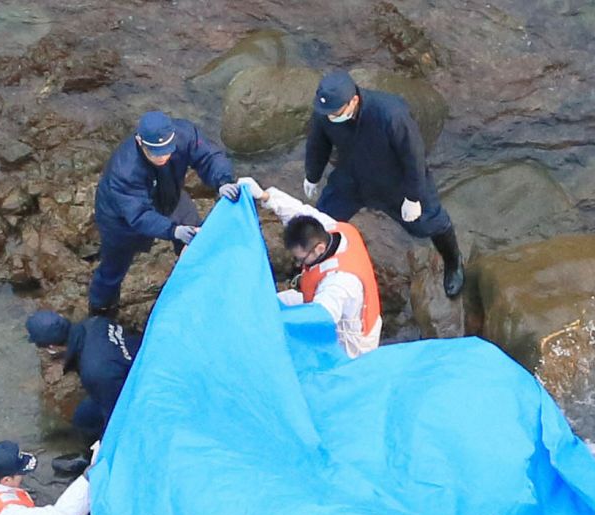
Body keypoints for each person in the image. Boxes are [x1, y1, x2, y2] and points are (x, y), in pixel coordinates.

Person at [302, 70, 465, 299]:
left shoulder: (390, 114)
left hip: (395, 181)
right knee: (324, 221)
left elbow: (413, 156)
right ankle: (314, 268)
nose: (330, 117)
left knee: (430, 223)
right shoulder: (327, 112)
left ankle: (454, 262)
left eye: (336, 113)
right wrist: (312, 175)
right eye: (327, 113)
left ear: (354, 101)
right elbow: (318, 144)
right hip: (353, 177)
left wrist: (414, 196)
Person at [90, 111, 240, 316]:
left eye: (166, 151)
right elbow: (139, 215)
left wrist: (223, 181)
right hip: (120, 219)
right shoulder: (124, 171)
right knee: (113, 268)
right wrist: (173, 230)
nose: (162, 157)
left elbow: (209, 156)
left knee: (196, 239)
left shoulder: (185, 135)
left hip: (169, 198)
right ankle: (101, 308)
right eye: (155, 153)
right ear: (139, 142)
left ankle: (198, 284)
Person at [257, 186, 381, 357]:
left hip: (351, 343)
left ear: (319, 249)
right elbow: (298, 211)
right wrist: (264, 195)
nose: (299, 263)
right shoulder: (334, 229)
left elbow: (321, 316)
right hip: (343, 307)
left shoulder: (339, 283)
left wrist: (276, 326)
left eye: (302, 259)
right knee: (271, 303)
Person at [25, 310, 140, 449]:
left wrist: (102, 450)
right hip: (137, 358)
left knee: (93, 422)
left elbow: (116, 416)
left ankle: (92, 453)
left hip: (137, 386)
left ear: (52, 347)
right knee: (83, 417)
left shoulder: (95, 372)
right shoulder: (95, 322)